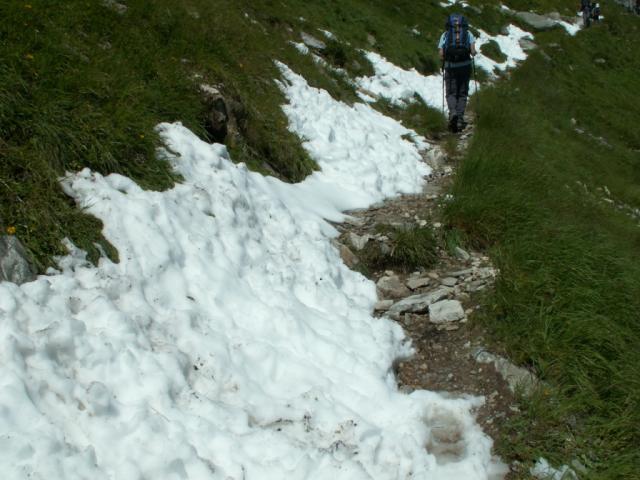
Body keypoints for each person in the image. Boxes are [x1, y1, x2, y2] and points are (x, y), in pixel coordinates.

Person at [438, 14, 477, 133]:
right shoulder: (468, 34)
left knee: (451, 92)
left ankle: (453, 113)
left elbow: (441, 54)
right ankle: (460, 119)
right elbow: (473, 51)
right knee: (462, 93)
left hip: (451, 67)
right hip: (465, 66)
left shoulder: (445, 35)